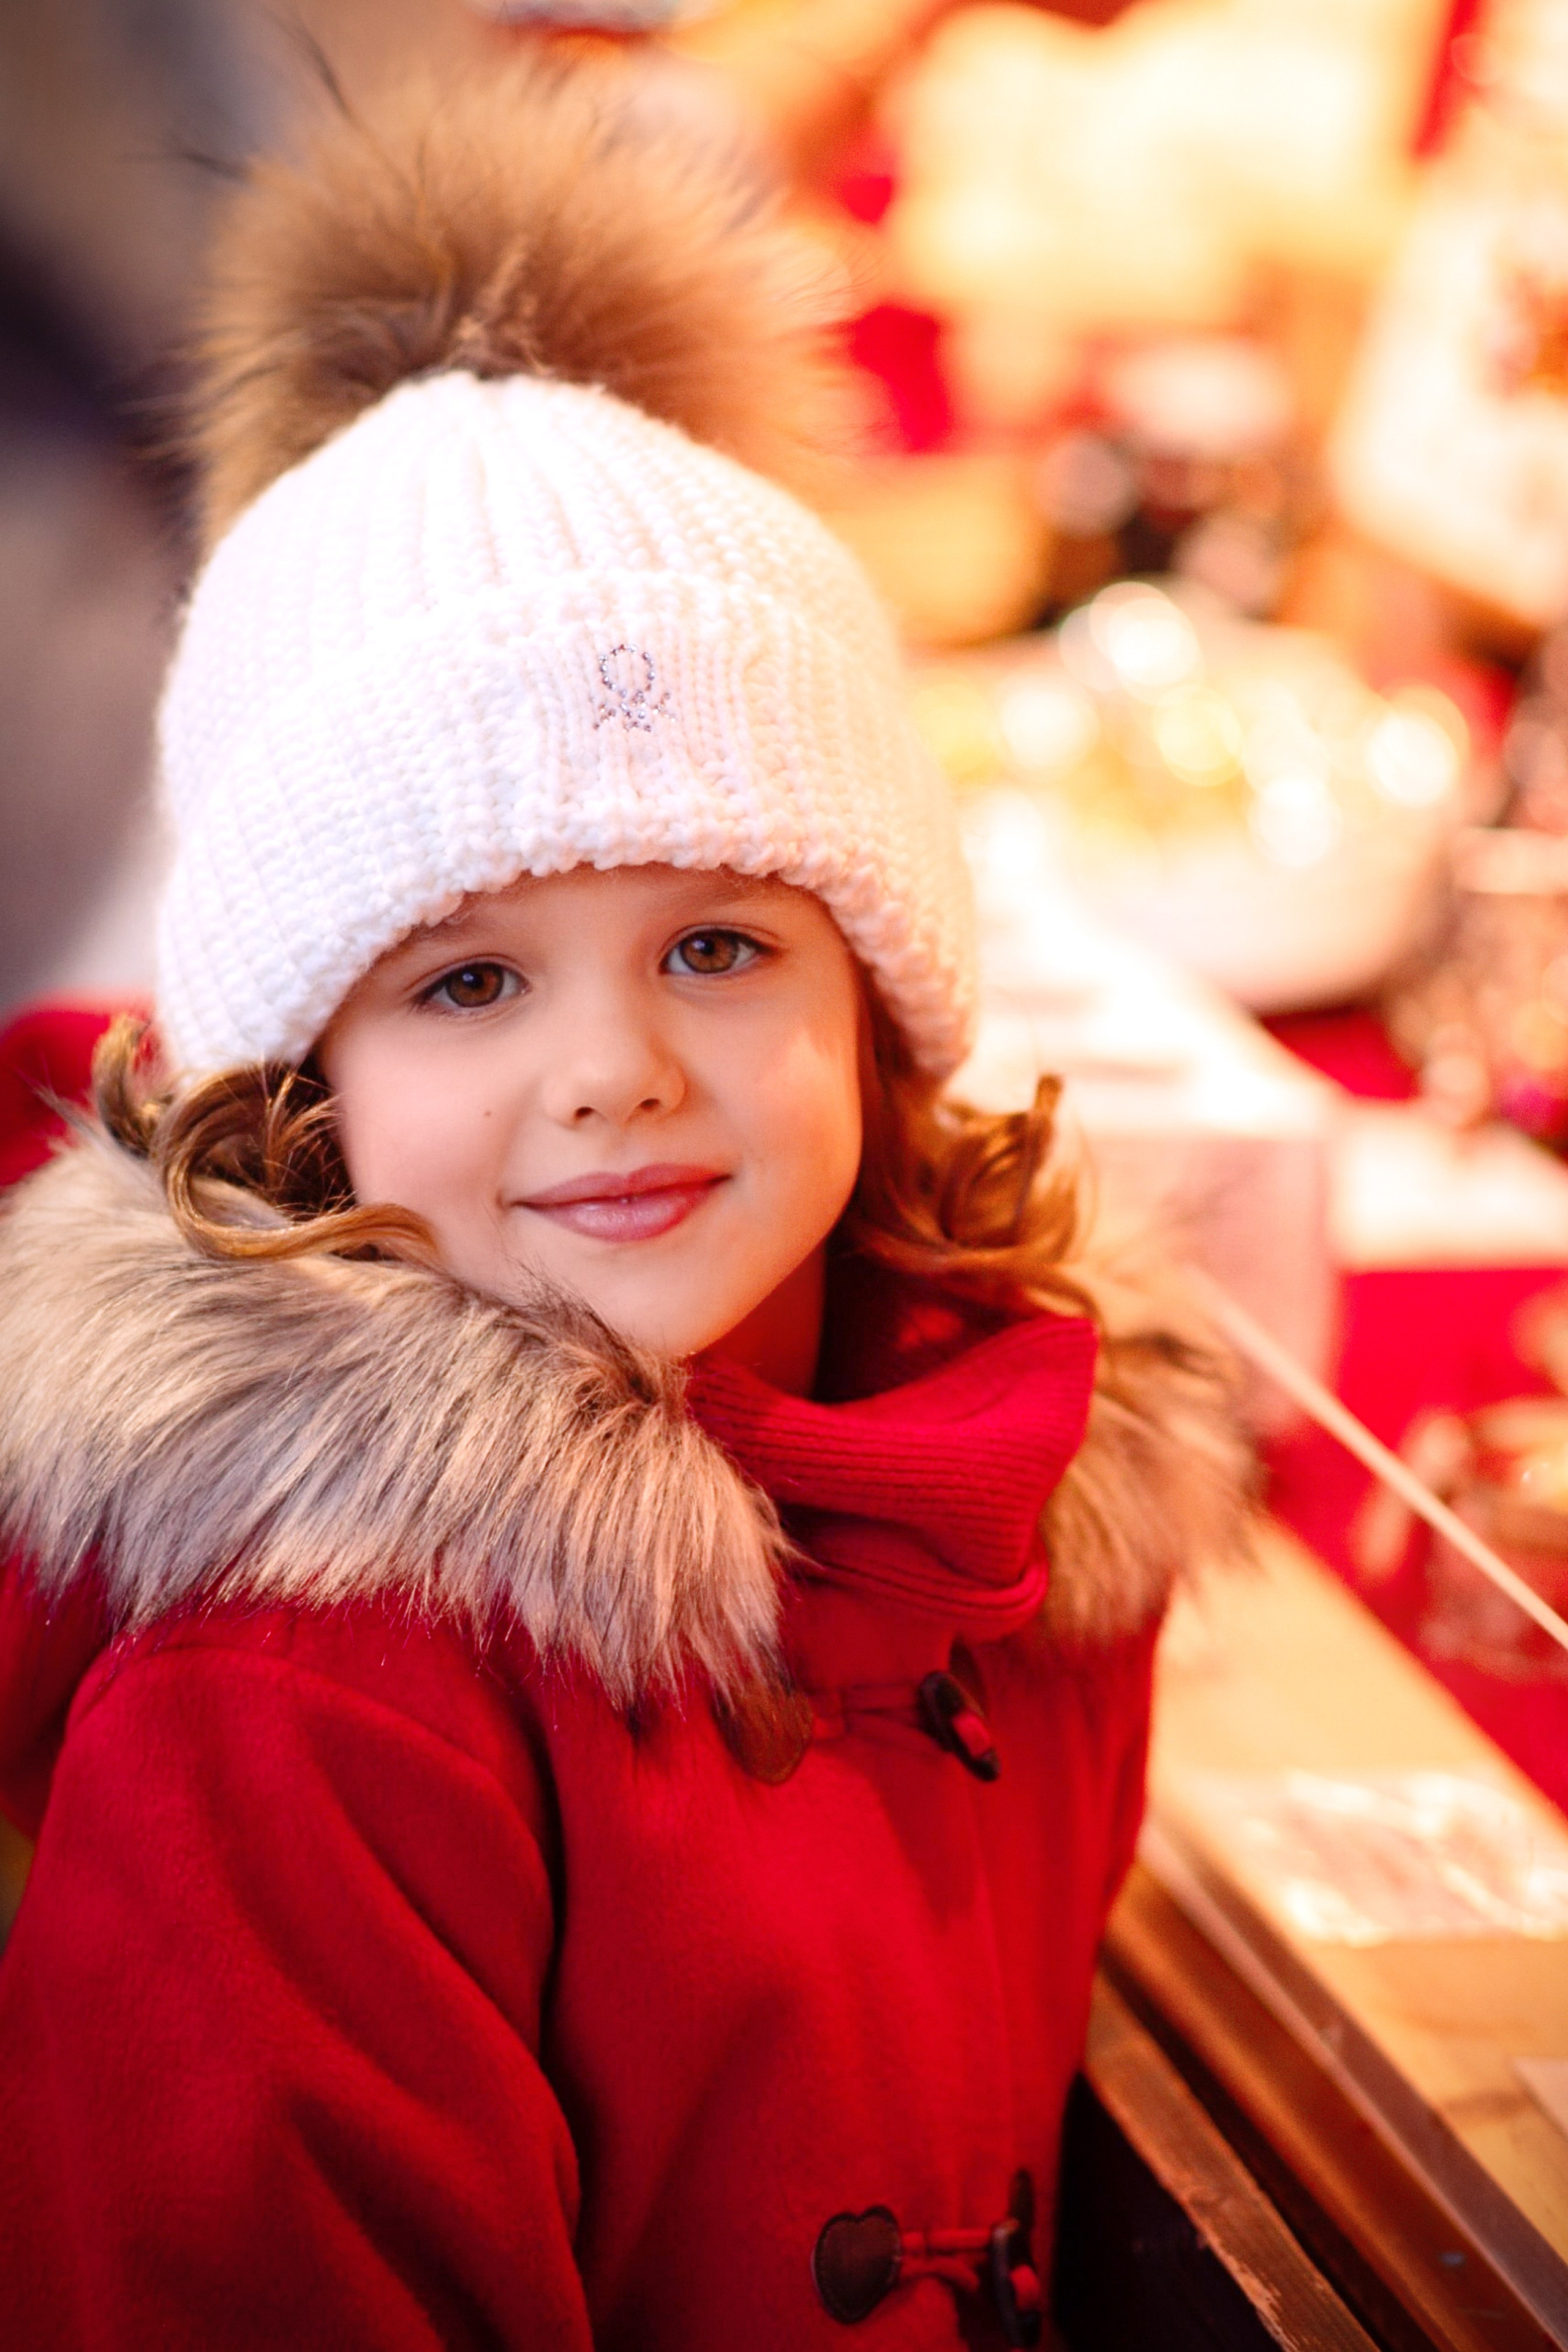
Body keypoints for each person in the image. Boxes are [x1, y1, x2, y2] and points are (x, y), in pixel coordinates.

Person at [0, 53, 1251, 2352]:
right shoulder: (292, 1717)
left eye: (717, 941)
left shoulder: (1027, 1517)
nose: (619, 1069)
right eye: (468, 979)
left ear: (876, 997)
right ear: (307, 1089)